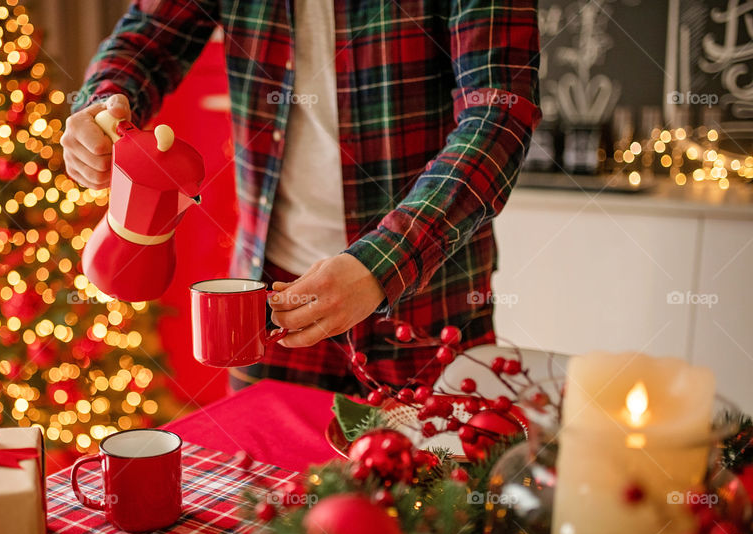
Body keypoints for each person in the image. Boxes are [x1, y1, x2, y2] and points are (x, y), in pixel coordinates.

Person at [61, 0, 541, 394]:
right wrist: (104, 103)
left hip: (430, 302)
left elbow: (498, 115)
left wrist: (380, 263)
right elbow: (144, 39)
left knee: (440, 503)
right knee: (265, 503)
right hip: (269, 305)